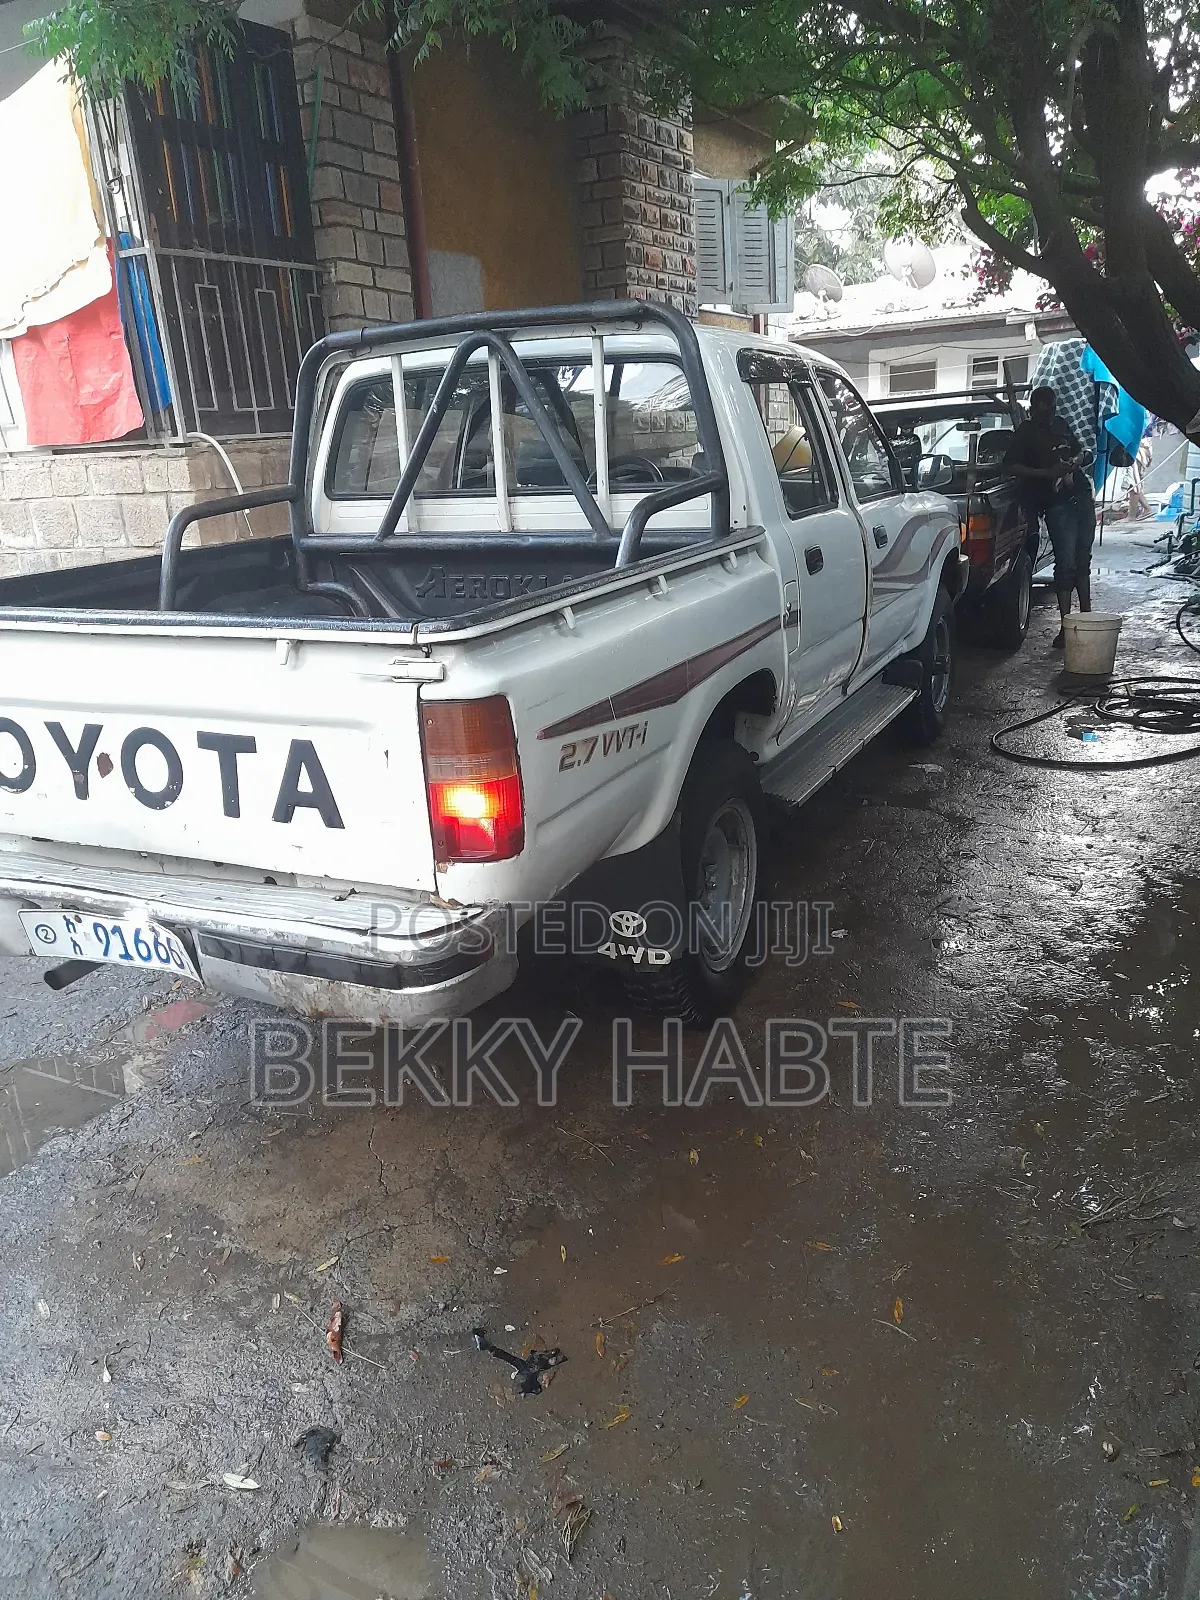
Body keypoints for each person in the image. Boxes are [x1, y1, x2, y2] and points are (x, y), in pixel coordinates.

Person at [1004, 385, 1094, 648]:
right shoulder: (1025, 433)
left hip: (1081, 496)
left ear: (1055, 406)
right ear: (1032, 409)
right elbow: (1009, 465)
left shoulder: (1062, 425)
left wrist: (1075, 461)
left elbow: (1083, 452)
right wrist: (1047, 474)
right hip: (1056, 504)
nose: (1047, 414)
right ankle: (1067, 628)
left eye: (1051, 408)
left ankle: (1087, 621)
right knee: (1065, 565)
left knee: (1083, 560)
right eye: (1041, 410)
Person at [1127, 434, 1153, 520]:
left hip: (1137, 450)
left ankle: (1132, 516)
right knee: (1133, 482)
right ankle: (1146, 508)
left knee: (1133, 483)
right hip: (1139, 449)